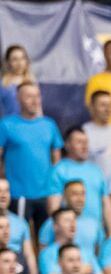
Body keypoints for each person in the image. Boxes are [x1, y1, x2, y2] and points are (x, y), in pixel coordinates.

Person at [0, 83, 63, 232]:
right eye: (29, 96)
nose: (35, 100)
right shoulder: (7, 125)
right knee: (19, 235)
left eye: (37, 96)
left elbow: (56, 159)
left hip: (46, 195)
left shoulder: (49, 125)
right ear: (18, 99)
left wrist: (54, 190)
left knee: (46, 236)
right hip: (18, 195)